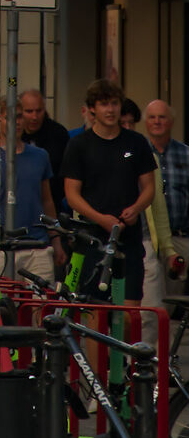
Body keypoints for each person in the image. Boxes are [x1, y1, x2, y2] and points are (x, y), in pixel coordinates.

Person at [63, 77, 158, 302]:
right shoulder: (79, 145)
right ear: (93, 109)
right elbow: (72, 194)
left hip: (129, 240)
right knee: (95, 314)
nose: (110, 109)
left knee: (128, 312)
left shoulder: (136, 142)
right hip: (93, 239)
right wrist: (100, 219)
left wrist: (136, 208)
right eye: (104, 104)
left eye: (115, 103)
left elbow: (149, 188)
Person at [142, 99, 189, 306]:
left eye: (162, 117)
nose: (157, 122)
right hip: (148, 239)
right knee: (150, 303)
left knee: (172, 301)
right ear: (146, 122)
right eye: (152, 117)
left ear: (171, 122)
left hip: (179, 238)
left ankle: (167, 339)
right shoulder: (139, 153)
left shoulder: (186, 154)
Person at [8, 120, 59, 286]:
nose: (16, 121)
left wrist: (56, 239)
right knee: (4, 307)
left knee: (42, 304)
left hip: (37, 244)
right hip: (2, 248)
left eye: (19, 116)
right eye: (8, 117)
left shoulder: (40, 156)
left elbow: (47, 200)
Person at [17, 88, 71, 188]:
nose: (34, 117)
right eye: (29, 111)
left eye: (39, 111)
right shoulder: (14, 135)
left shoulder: (58, 134)